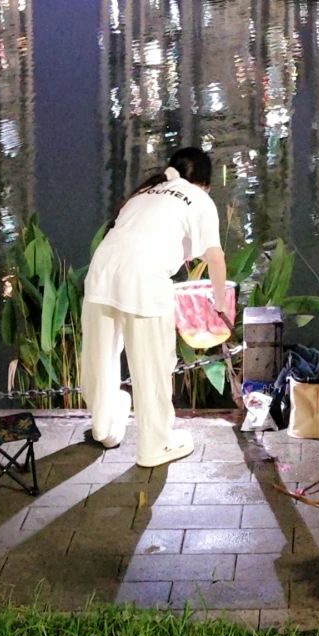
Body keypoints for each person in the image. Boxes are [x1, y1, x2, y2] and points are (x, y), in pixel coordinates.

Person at [80, 145, 227, 468]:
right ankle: (155, 445)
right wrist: (221, 304)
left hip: (101, 274)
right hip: (145, 281)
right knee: (153, 366)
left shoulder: (145, 192)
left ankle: (104, 427)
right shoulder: (199, 199)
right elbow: (214, 257)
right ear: (204, 181)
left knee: (101, 358)